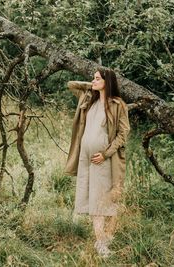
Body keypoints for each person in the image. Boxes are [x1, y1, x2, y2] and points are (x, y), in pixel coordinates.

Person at [64, 68, 130, 257]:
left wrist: (106, 153)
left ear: (107, 82)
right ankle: (100, 242)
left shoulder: (118, 105)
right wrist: (93, 86)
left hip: (105, 161)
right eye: (93, 78)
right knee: (94, 202)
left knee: (108, 201)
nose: (93, 81)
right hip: (87, 161)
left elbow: (123, 134)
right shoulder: (89, 100)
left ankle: (104, 240)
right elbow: (71, 84)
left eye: (97, 78)